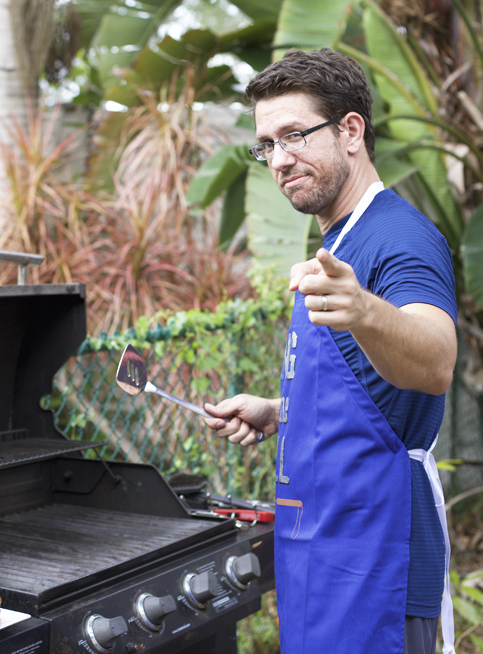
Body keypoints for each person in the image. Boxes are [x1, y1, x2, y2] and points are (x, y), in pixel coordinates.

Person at [204, 48, 457, 654]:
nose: (280, 159)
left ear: (350, 131)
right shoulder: (340, 236)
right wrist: (280, 410)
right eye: (267, 144)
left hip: (380, 565)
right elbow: (367, 387)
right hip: (319, 555)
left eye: (295, 134)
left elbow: (435, 361)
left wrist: (366, 308)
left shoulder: (399, 236)